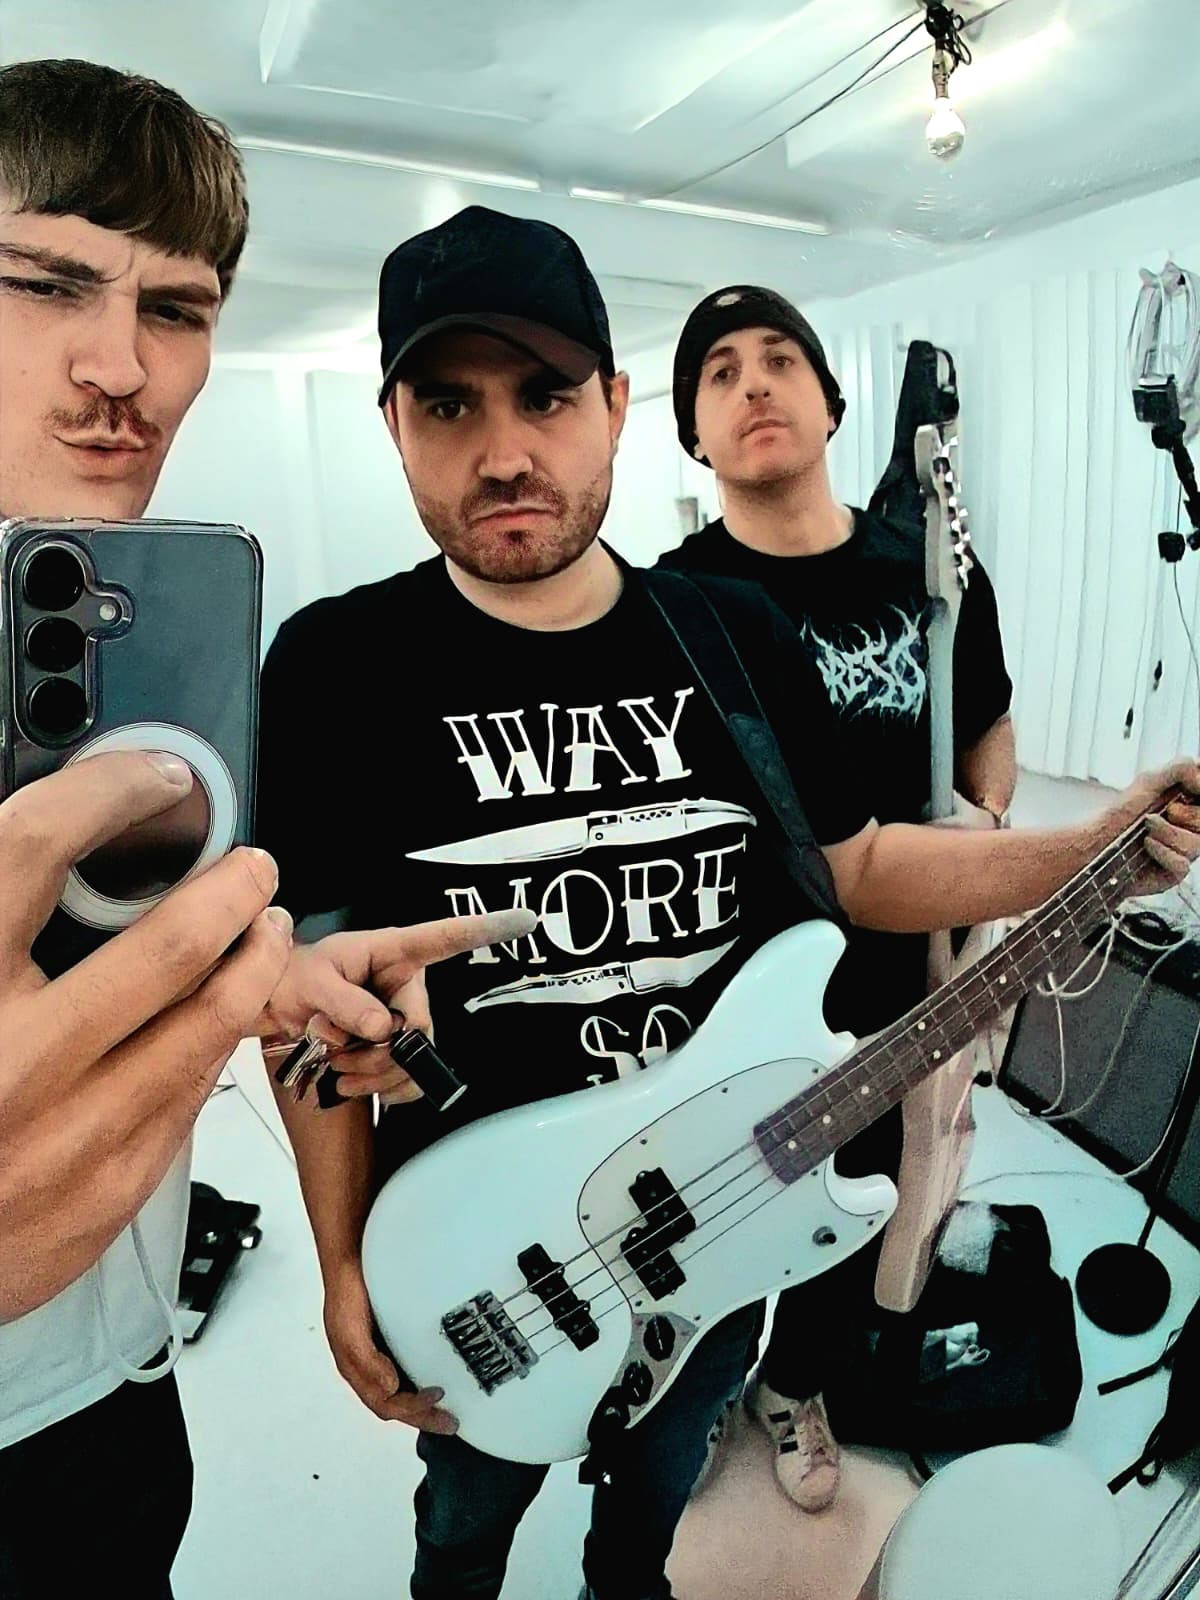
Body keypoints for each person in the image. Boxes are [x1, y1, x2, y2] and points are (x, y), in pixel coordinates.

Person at [255, 203, 1200, 1600]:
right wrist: (341, 1262)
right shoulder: (334, 663)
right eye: (448, 402)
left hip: (722, 1215)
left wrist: (1094, 845)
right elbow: (312, 1004)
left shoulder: (729, 631)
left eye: (546, 394)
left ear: (615, 403)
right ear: (391, 420)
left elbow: (860, 867)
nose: (503, 451)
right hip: (477, 1241)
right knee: (464, 1513)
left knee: (656, 1487)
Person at [0, 60, 530, 1599]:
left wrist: (267, 981)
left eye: (177, 309)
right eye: (44, 282)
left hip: (119, 1395)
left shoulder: (124, 666)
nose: (124, 368)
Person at [657, 286, 1017, 1509]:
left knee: (852, 1202)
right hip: (731, 995)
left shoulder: (930, 567)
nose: (753, 384)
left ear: (831, 400)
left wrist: (984, 826)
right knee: (718, 1209)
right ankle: (693, 1393)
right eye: (718, 372)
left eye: (779, 359)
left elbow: (988, 717)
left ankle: (792, 1381)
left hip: (896, 978)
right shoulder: (674, 604)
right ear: (692, 432)